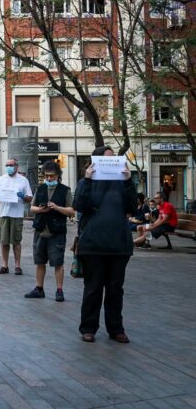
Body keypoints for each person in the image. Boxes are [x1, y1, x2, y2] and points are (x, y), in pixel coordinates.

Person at [73, 145, 136, 343]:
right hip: (93, 245)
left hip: (119, 245)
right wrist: (87, 179)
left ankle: (116, 329)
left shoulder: (122, 183)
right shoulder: (88, 182)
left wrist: (128, 182)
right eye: (106, 159)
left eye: (113, 159)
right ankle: (88, 328)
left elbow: (132, 207)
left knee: (115, 289)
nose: (111, 162)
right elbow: (79, 205)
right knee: (93, 288)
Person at [25, 161, 75, 301]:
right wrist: (41, 210)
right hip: (40, 230)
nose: (49, 179)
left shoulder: (65, 190)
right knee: (39, 261)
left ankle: (59, 290)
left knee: (57, 262)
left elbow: (71, 211)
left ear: (58, 176)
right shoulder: (40, 189)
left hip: (56, 232)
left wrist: (57, 208)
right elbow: (32, 208)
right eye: (46, 176)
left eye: (51, 176)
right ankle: (39, 288)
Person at [0, 158, 33, 275]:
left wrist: (22, 196)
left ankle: (17, 266)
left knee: (16, 241)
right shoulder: (1, 179)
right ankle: (4, 265)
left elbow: (29, 198)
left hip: (17, 214)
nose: (9, 167)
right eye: (7, 165)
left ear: (16, 167)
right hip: (3, 214)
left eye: (11, 165)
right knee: (4, 241)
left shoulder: (23, 180)